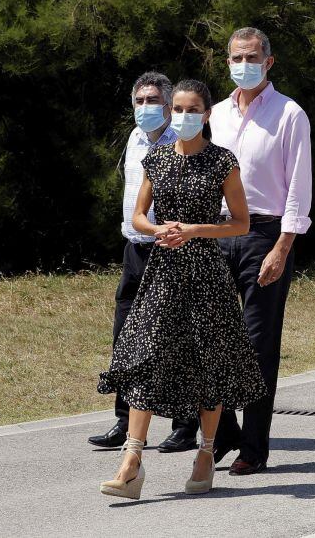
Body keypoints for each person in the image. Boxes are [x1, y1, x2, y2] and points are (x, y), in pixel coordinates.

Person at [97, 79, 267, 500]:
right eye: (177, 108)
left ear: (207, 115)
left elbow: (241, 223)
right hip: (163, 270)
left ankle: (206, 454)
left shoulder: (222, 162)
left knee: (208, 360)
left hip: (206, 272)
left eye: (192, 109)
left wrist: (194, 231)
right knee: (145, 354)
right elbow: (137, 216)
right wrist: (159, 229)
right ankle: (131, 460)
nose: (182, 116)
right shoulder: (156, 160)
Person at [210, 27, 312, 475]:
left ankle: (254, 446)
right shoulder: (215, 113)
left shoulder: (290, 113)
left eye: (252, 57)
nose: (243, 65)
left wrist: (282, 247)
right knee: (210, 337)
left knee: (256, 344)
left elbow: (298, 187)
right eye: (236, 57)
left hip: (265, 235)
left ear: (269, 61)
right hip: (215, 231)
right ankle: (223, 431)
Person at [88, 73, 199, 452]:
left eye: (153, 101)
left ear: (169, 106)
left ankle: (185, 426)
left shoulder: (182, 143)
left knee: (172, 337)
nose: (145, 108)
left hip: (169, 250)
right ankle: (125, 421)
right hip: (135, 249)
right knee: (125, 335)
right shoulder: (135, 139)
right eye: (139, 100)